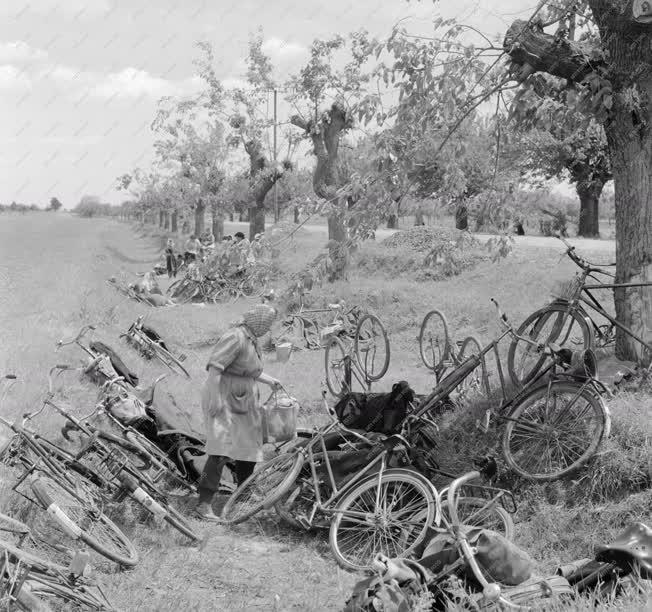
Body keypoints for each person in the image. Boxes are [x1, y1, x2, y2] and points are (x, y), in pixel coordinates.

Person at [195, 303, 281, 520]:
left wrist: (270, 381)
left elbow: (248, 369)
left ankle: (243, 491)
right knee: (220, 449)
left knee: (249, 445)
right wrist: (215, 398)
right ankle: (203, 502)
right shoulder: (235, 337)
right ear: (258, 321)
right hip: (224, 396)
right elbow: (215, 367)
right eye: (267, 323)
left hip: (244, 400)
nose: (268, 328)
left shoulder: (251, 339)